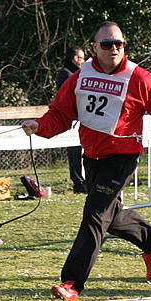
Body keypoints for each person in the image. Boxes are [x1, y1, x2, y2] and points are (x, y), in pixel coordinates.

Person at [22, 21, 151, 301]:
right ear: (94, 48)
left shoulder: (140, 78)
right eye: (107, 44)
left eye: (119, 43)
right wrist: (40, 125)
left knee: (95, 213)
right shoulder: (79, 77)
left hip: (122, 157)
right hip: (92, 157)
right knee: (110, 215)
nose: (114, 48)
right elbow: (60, 114)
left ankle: (72, 283)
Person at [56, 46, 87, 193]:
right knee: (75, 153)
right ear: (75, 59)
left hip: (81, 119)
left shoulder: (77, 74)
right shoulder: (66, 74)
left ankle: (85, 182)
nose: (84, 61)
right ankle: (79, 184)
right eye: (82, 58)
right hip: (72, 121)